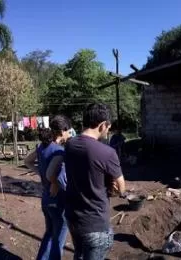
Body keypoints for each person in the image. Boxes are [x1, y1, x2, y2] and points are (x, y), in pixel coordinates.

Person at [64, 103, 126, 260]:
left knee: (79, 254)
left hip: (74, 219)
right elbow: (121, 188)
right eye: (108, 127)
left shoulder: (70, 145)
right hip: (95, 224)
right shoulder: (107, 152)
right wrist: (115, 188)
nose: (108, 130)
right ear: (103, 124)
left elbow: (86, 172)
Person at [23, 115, 72, 260]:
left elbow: (27, 161)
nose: (69, 134)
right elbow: (51, 173)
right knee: (58, 240)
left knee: (49, 233)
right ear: (62, 131)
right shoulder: (59, 151)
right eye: (68, 131)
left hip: (45, 199)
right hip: (58, 200)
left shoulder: (41, 147)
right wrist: (54, 182)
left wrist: (40, 173)